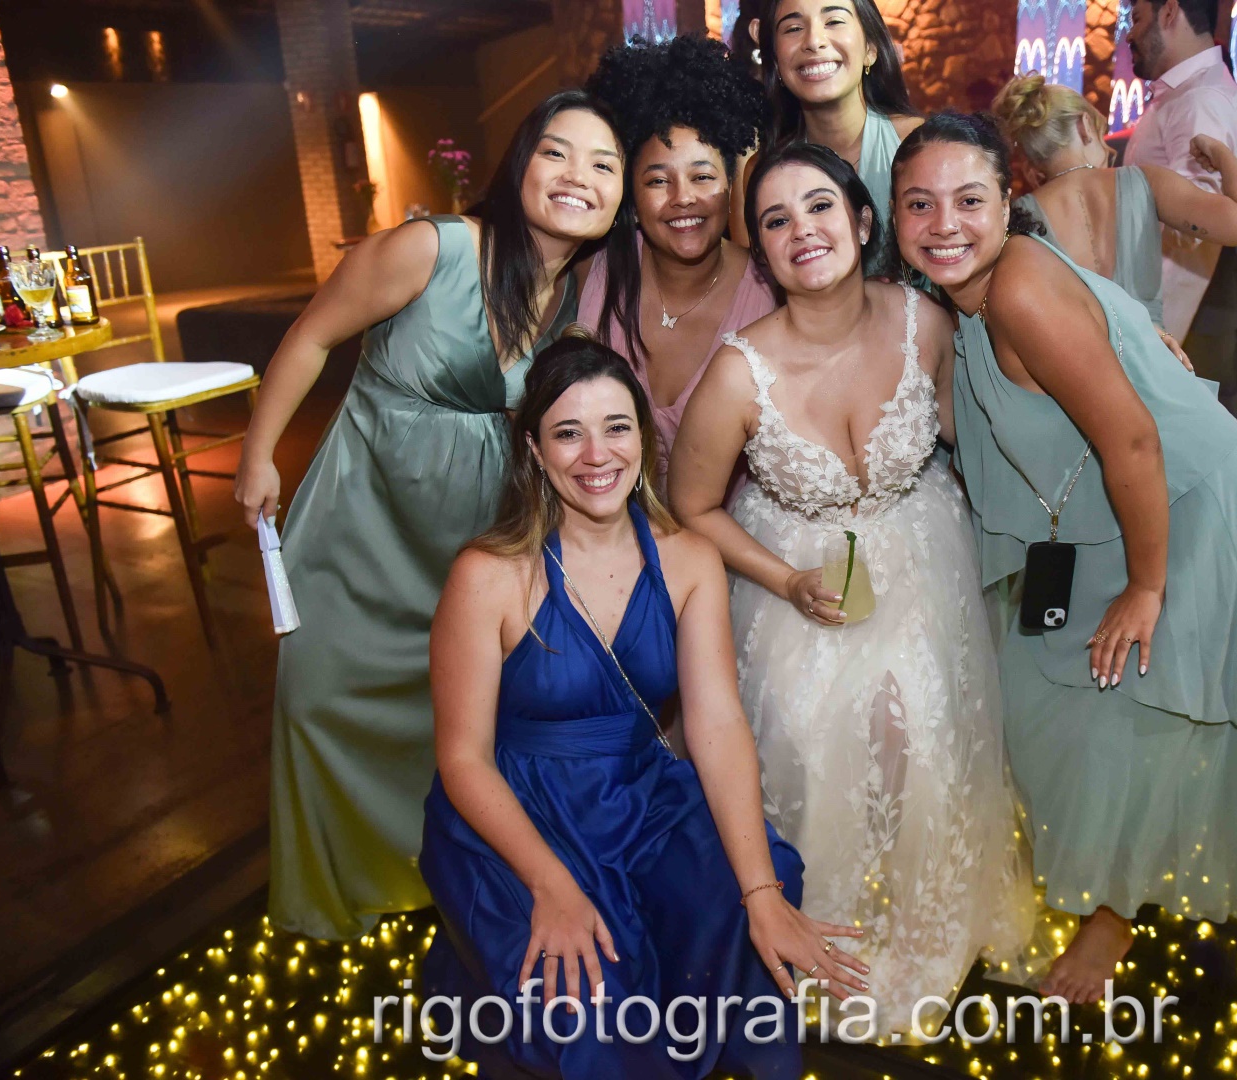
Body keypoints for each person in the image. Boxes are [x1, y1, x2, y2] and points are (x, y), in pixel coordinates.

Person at [892, 113, 1237, 1005]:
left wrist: (1149, 587)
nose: (944, 224)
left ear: (1009, 202)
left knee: (1136, 714)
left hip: (1190, 505)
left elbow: (1134, 441)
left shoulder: (1019, 291)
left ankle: (1113, 913)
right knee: (1048, 700)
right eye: (919, 204)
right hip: (1102, 514)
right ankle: (1095, 868)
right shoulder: (959, 297)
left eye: (968, 200)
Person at [234, 91, 629, 940]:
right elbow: (311, 336)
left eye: (604, 165)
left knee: (452, 717)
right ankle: (335, 896)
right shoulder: (433, 248)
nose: (578, 177)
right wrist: (258, 453)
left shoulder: (579, 296)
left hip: (473, 538)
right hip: (363, 522)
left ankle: (435, 881)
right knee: (318, 700)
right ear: (520, 163)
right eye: (557, 153)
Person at [419, 333, 869, 1077]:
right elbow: (462, 758)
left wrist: (759, 890)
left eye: (616, 427)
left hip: (639, 797)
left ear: (643, 439)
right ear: (534, 449)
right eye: (569, 432)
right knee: (590, 1010)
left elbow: (716, 723)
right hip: (521, 810)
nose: (596, 454)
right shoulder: (488, 574)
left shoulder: (688, 558)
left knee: (748, 894)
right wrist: (551, 886)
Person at [670, 143, 1036, 1032]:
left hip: (925, 553)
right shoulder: (738, 372)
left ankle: (930, 925)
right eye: (776, 220)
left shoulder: (924, 323)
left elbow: (985, 422)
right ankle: (817, 931)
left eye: (820, 207)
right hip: (792, 574)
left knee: (931, 737)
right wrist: (786, 580)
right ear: (762, 251)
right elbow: (691, 506)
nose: (803, 230)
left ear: (863, 222)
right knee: (807, 745)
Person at [577, 35, 776, 491]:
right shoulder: (595, 269)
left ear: (730, 189)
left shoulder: (770, 293)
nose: (683, 197)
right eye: (657, 181)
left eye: (702, 176)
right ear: (631, 198)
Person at [992, 74, 1237, 338]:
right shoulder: (1146, 181)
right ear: (1084, 126)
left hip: (1071, 366)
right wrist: (1220, 152)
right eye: (1100, 130)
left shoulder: (1018, 217)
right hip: (1148, 359)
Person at [732, 0, 923, 247]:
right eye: (793, 28)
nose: (814, 41)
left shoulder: (917, 144)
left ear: (870, 49)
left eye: (834, 21)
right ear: (776, 61)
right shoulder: (763, 172)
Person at [1123, 0, 1237, 340]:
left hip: (1155, 324)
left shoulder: (1202, 98)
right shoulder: (1183, 93)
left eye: (1136, 19)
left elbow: (1196, 224)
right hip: (1142, 314)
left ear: (1168, 12)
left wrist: (1105, 197)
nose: (1129, 34)